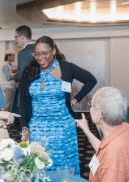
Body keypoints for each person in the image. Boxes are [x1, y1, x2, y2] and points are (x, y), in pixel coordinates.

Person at [20, 36, 97, 174]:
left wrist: (76, 99)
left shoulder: (66, 68)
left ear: (53, 51)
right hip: (37, 127)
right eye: (37, 54)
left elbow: (91, 80)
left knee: (63, 167)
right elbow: (23, 102)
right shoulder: (29, 71)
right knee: (39, 167)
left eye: (44, 53)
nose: (40, 57)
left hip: (62, 128)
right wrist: (24, 126)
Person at [75, 87, 129, 182]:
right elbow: (104, 148)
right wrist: (86, 130)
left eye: (91, 105)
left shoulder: (113, 156)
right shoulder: (123, 129)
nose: (90, 108)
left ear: (99, 114)